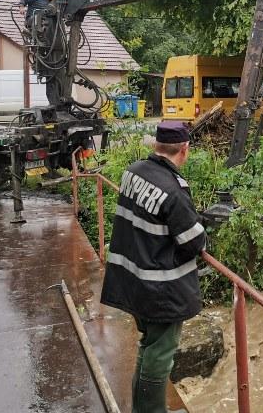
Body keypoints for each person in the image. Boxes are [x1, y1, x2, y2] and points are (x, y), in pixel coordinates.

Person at [101, 121, 206, 413]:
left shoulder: (133, 172)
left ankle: (142, 408)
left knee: (149, 346)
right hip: (160, 290)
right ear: (184, 150)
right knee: (160, 355)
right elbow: (195, 242)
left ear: (156, 146)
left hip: (132, 280)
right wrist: (202, 224)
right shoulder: (173, 190)